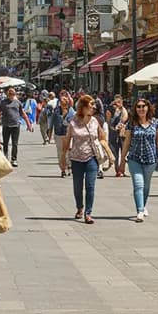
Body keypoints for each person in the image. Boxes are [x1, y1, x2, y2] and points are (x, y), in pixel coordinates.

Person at [59, 94, 112, 223]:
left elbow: (102, 138)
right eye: (91, 105)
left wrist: (110, 155)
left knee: (90, 186)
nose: (93, 107)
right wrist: (62, 159)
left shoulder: (94, 121)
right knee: (77, 186)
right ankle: (79, 207)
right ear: (83, 107)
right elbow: (67, 141)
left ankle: (88, 213)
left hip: (91, 158)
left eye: (94, 105)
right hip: (76, 159)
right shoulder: (73, 122)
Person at [121, 97, 158, 221]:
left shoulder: (155, 122)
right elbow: (127, 141)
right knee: (138, 185)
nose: (141, 109)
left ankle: (143, 205)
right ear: (135, 109)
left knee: (146, 186)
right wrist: (121, 161)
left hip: (150, 159)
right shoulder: (132, 123)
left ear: (148, 108)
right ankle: (140, 210)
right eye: (138, 106)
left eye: (143, 106)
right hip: (134, 159)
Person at [0, 87, 30, 167]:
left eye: (13, 94)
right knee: (5, 143)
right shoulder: (3, 102)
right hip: (6, 125)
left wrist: (28, 124)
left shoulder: (17, 102)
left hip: (15, 125)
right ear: (7, 95)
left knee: (15, 144)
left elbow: (22, 113)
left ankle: (14, 159)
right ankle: (5, 158)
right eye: (10, 94)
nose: (11, 96)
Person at [54, 91, 75, 177]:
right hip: (59, 134)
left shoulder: (72, 112)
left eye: (65, 104)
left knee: (68, 152)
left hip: (68, 134)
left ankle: (69, 167)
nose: (64, 105)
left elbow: (75, 123)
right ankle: (63, 169)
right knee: (60, 152)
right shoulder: (56, 110)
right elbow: (53, 121)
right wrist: (49, 131)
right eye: (62, 104)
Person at [107, 96, 129, 177]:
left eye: (120, 101)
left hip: (122, 134)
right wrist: (113, 128)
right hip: (113, 134)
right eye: (116, 102)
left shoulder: (124, 111)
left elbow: (125, 118)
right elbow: (108, 121)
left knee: (124, 152)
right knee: (115, 152)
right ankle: (117, 170)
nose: (118, 103)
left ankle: (122, 169)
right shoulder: (110, 110)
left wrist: (121, 125)